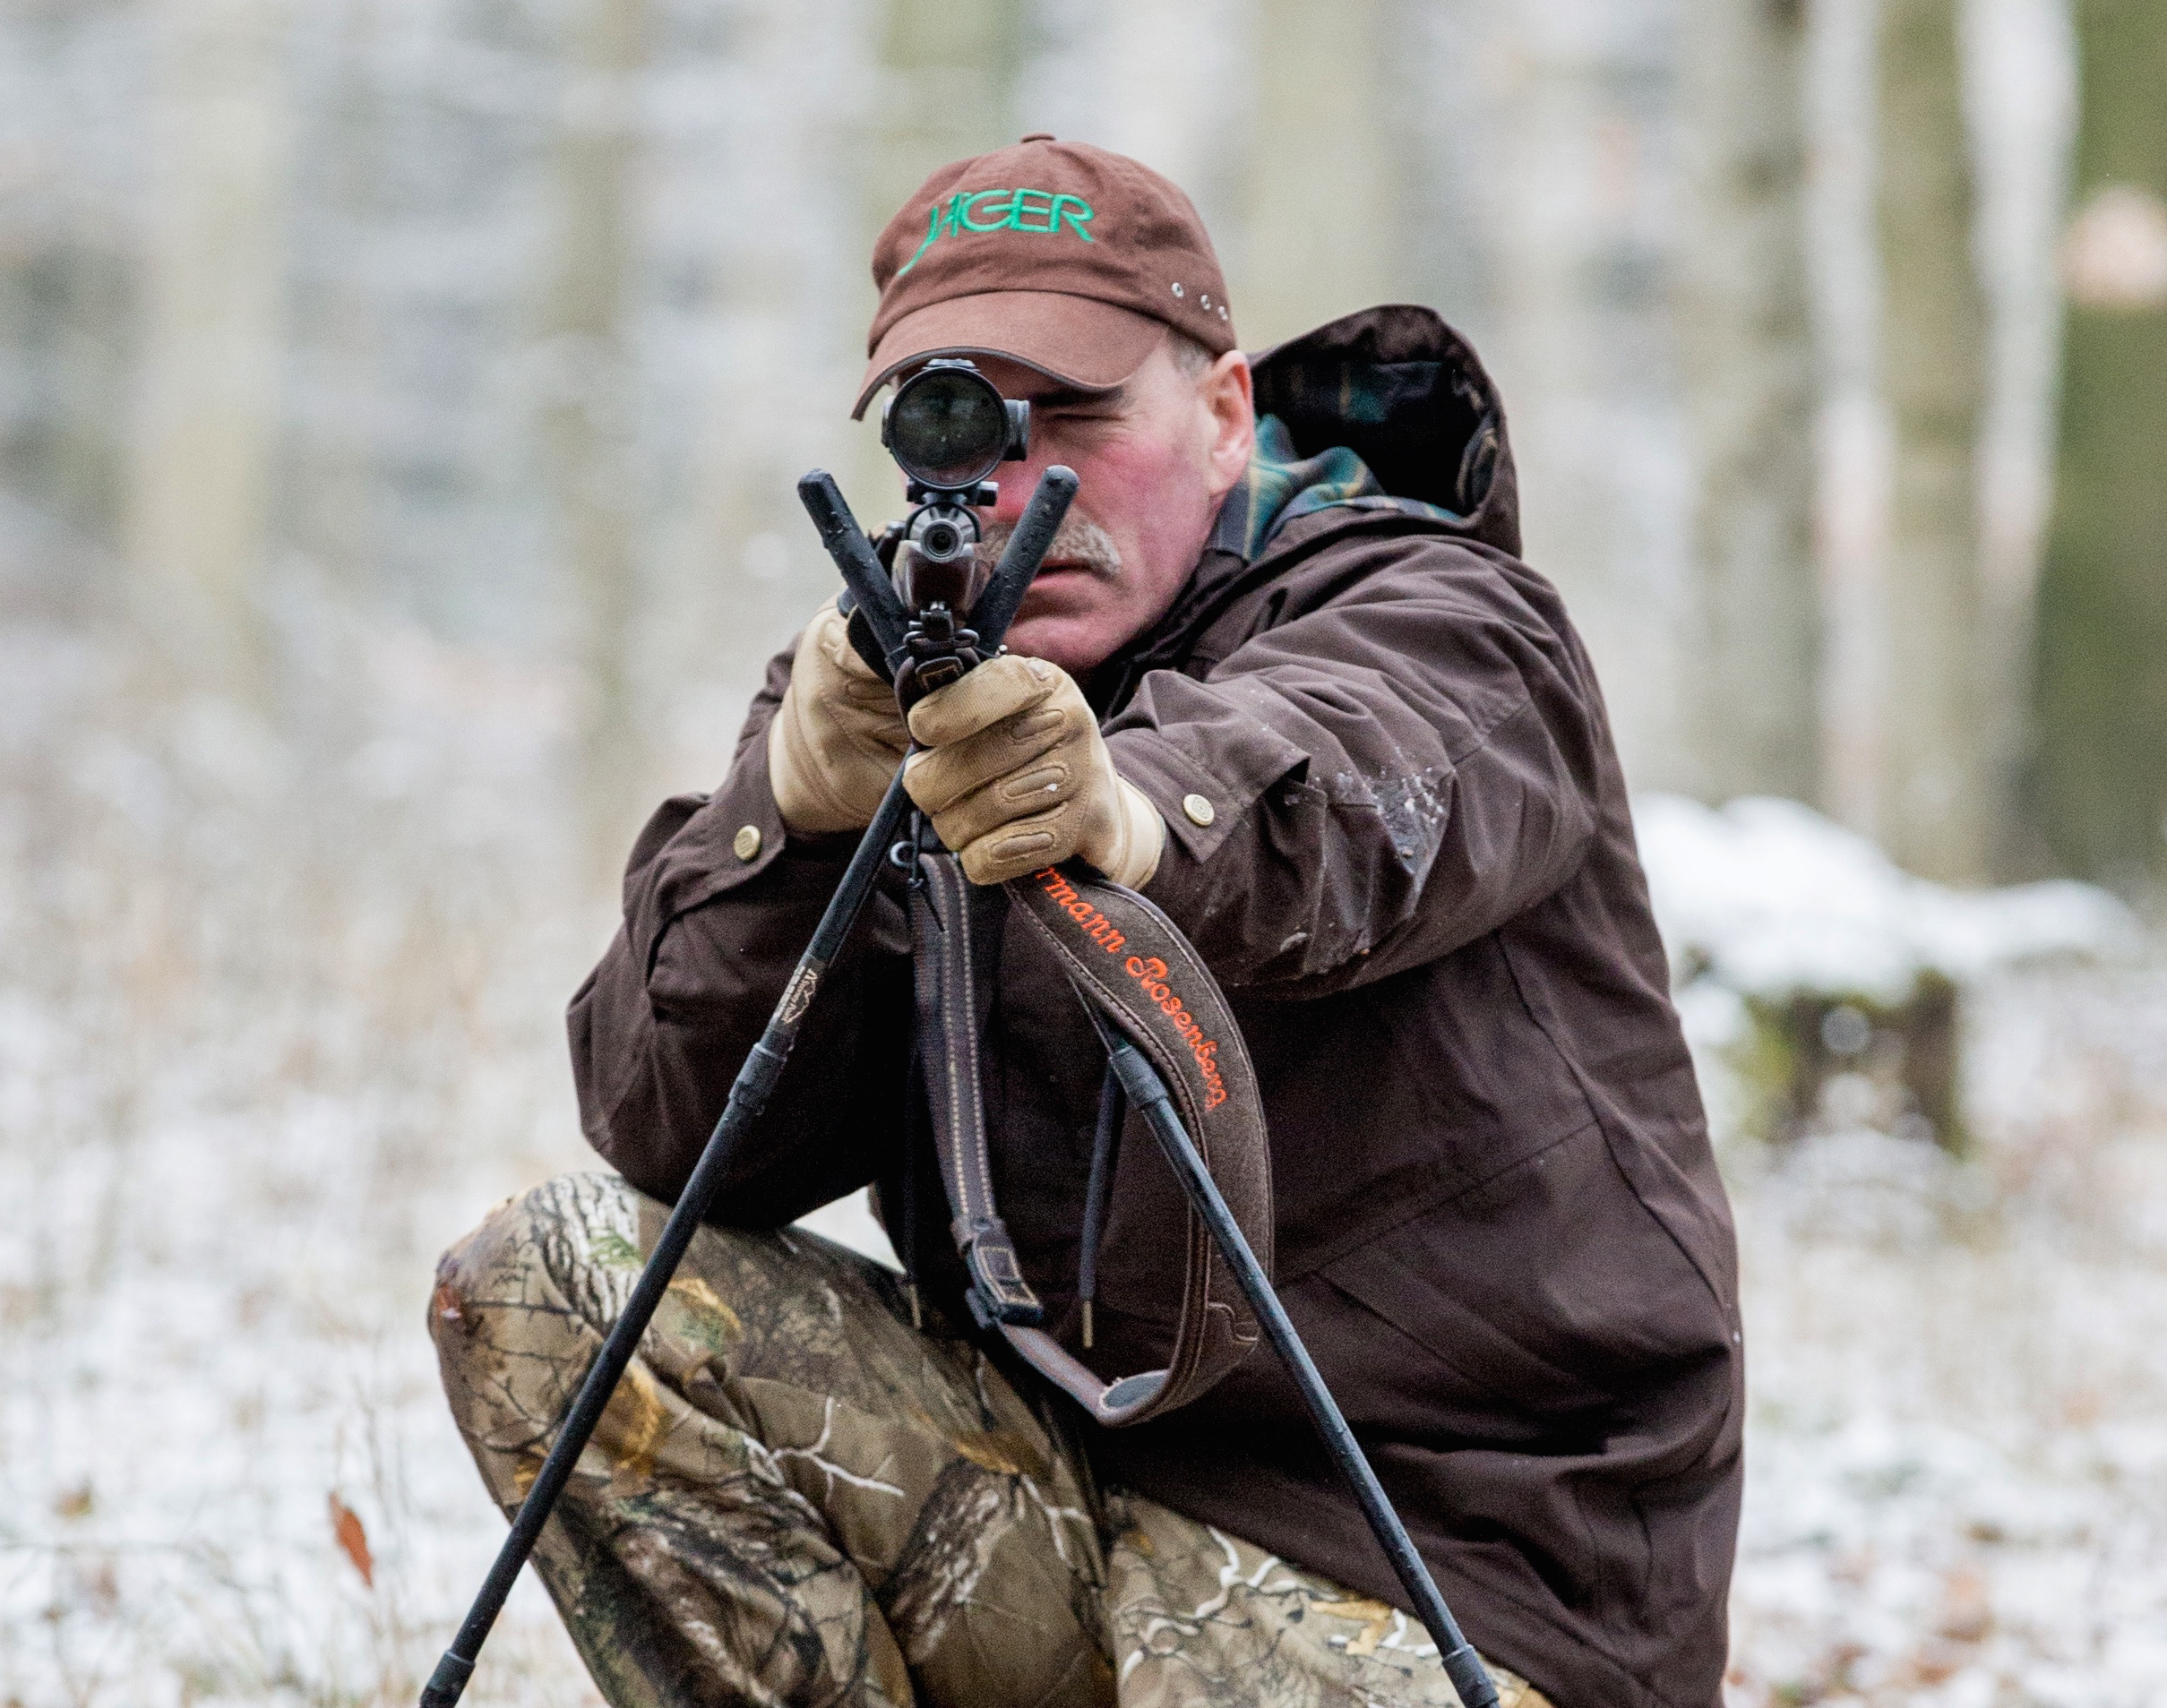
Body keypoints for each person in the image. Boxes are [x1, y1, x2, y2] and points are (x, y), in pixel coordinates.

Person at [431, 136, 1743, 1708]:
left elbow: (1342, 782)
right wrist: (792, 813)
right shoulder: (884, 688)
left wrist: (1123, 815)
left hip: (1449, 1570)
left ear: (1223, 415)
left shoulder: (1450, 621)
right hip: (1056, 1494)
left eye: (1078, 414)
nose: (1015, 488)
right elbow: (676, 1136)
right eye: (960, 425)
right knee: (550, 1279)